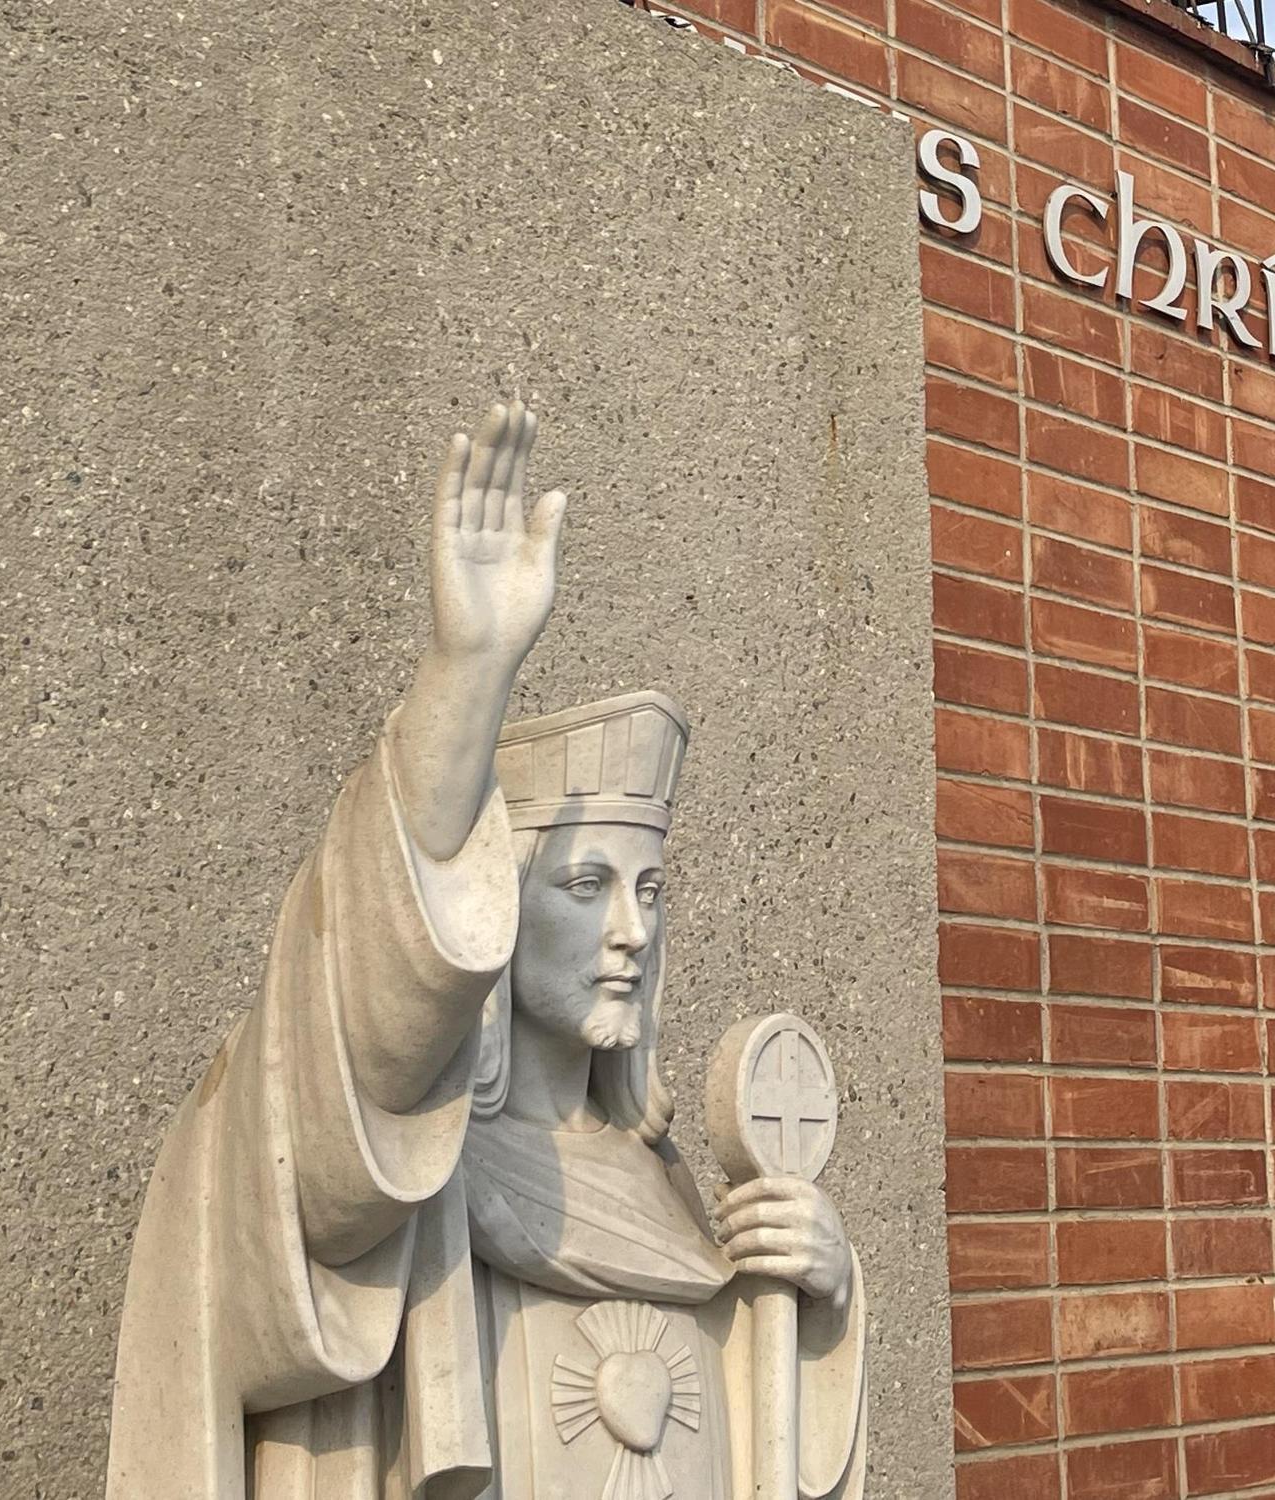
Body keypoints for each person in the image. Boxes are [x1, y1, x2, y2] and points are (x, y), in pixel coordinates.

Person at [105, 401, 866, 1499]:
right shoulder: (405, 1158)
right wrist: (468, 676)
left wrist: (818, 1294)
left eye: (649, 890)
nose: (631, 932)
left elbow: (763, 1443)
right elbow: (356, 1015)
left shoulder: (668, 1189)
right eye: (586, 885)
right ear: (494, 910)